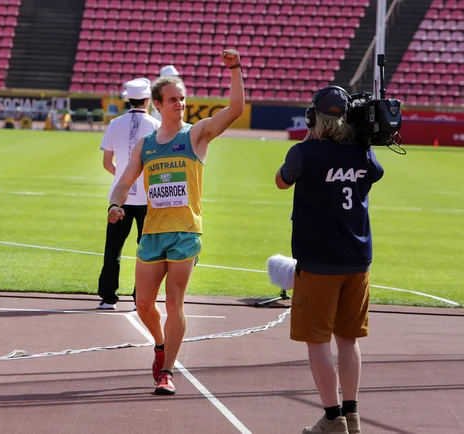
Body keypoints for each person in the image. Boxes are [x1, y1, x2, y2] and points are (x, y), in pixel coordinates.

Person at [107, 49, 244, 394]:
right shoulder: (146, 145)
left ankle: (167, 371)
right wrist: (115, 204)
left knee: (174, 303)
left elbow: (236, 110)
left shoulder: (196, 135)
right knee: (142, 304)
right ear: (156, 104)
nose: (179, 104)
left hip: (185, 232)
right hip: (152, 232)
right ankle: (159, 343)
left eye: (182, 98)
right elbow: (124, 181)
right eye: (172, 99)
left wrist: (235, 70)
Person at [275, 86, 384, 434]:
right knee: (348, 339)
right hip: (357, 260)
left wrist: (311, 143)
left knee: (317, 340)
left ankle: (333, 418)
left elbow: (281, 181)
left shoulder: (304, 152)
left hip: (318, 262)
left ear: (314, 118)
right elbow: (375, 172)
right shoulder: (363, 154)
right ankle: (352, 415)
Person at [97, 78, 161, 310]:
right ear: (148, 100)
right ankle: (141, 298)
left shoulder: (115, 123)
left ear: (128, 99)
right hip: (148, 199)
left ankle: (108, 297)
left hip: (119, 199)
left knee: (113, 249)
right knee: (147, 251)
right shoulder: (155, 124)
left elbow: (107, 163)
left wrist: (123, 178)